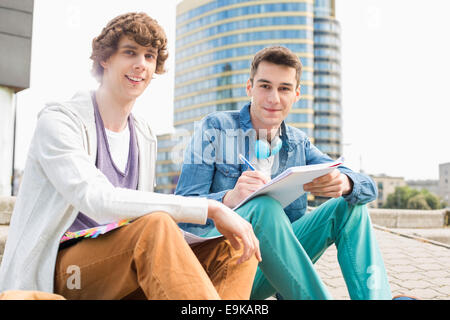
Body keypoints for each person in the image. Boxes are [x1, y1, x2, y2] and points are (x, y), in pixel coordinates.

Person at [0, 12, 261, 300]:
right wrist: (212, 208)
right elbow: (98, 199)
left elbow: (135, 216)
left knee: (235, 248)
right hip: (63, 273)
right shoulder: (60, 121)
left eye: (149, 56)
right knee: (156, 226)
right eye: (130, 52)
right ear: (105, 59)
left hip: (119, 265)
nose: (141, 64)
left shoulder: (144, 134)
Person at [175, 46, 393, 300]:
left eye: (284, 89)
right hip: (216, 270)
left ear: (296, 94)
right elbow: (182, 211)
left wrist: (345, 182)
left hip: (266, 274)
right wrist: (229, 199)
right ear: (250, 88)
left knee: (350, 206)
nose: (274, 98)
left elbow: (368, 188)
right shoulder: (215, 128)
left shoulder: (299, 144)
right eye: (265, 86)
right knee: (264, 207)